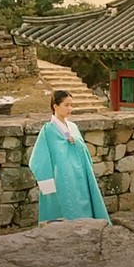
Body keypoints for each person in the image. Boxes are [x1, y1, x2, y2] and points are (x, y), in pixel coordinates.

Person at [28, 90, 111, 224]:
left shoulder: (73, 127)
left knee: (83, 210)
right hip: (60, 178)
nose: (70, 109)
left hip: (79, 176)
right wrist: (47, 185)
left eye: (71, 105)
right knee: (62, 211)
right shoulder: (47, 131)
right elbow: (38, 160)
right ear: (55, 106)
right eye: (66, 105)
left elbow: (84, 151)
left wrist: (76, 142)